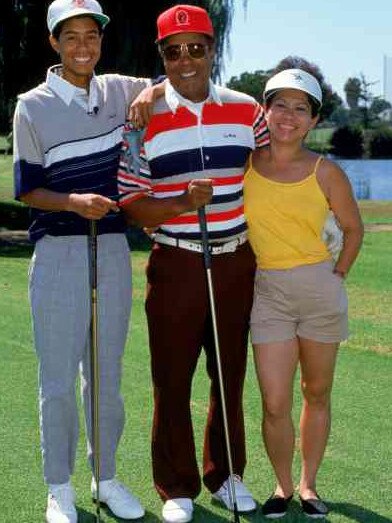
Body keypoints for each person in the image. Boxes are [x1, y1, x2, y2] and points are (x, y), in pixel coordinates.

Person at [117, 5, 269, 522]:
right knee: (172, 377)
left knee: (228, 376)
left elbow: (277, 169)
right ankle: (176, 486)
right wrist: (182, 203)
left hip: (235, 261)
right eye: (173, 51)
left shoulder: (248, 111)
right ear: (162, 57)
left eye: (196, 48)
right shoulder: (141, 119)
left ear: (212, 50)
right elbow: (133, 203)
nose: (187, 60)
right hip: (176, 261)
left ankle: (225, 476)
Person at [12, 0, 162, 521]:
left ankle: (105, 478)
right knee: (56, 379)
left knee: (105, 376)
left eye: (91, 36)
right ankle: (60, 487)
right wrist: (73, 203)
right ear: (53, 43)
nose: (82, 46)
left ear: (100, 41)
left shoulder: (120, 88)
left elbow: (173, 82)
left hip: (114, 248)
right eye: (70, 36)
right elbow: (28, 189)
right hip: (57, 250)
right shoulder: (31, 104)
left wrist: (151, 92)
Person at [243, 65, 364, 519]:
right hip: (268, 292)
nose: (289, 116)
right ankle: (281, 485)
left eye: (301, 109)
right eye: (280, 105)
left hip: (319, 290)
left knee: (317, 392)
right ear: (265, 110)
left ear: (313, 120)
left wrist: (336, 277)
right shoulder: (246, 164)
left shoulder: (325, 171)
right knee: (275, 401)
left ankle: (308, 486)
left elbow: (352, 231)